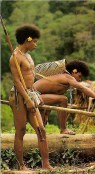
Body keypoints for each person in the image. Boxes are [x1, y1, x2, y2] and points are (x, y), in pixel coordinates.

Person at [9, 25, 53, 170]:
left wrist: (32, 96)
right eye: (34, 41)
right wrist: (27, 100)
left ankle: (46, 164)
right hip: (19, 96)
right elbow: (17, 81)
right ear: (27, 40)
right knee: (21, 130)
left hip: (30, 93)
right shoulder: (15, 57)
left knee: (41, 129)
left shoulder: (28, 55)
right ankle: (21, 166)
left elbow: (30, 77)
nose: (36, 44)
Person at [33, 60, 95, 135]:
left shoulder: (63, 82)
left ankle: (41, 137)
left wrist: (46, 114)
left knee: (43, 125)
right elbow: (82, 88)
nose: (80, 79)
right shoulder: (67, 77)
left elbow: (51, 98)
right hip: (33, 96)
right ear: (74, 72)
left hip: (38, 97)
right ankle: (63, 129)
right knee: (63, 99)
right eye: (79, 76)